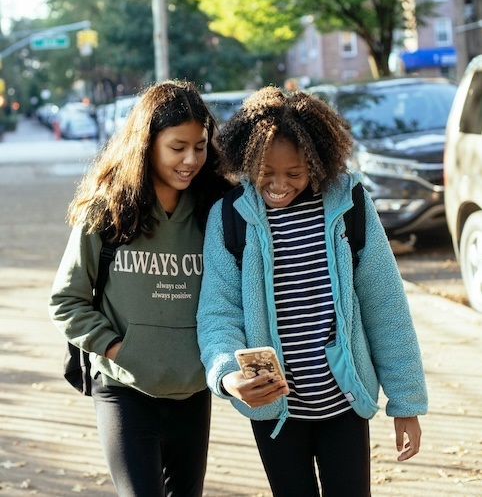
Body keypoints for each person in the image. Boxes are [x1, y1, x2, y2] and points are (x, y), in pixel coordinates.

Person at [197, 86, 428, 497]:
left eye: (295, 173)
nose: (279, 185)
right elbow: (219, 314)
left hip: (344, 404)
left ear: (317, 161)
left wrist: (405, 401)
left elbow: (386, 306)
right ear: (246, 160)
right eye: (266, 173)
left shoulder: (348, 204)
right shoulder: (229, 218)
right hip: (274, 413)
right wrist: (228, 376)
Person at [49, 80, 230, 497]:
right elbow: (66, 301)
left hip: (193, 391)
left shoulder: (217, 212)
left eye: (200, 147)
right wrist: (120, 351)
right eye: (177, 147)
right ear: (147, 143)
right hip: (123, 390)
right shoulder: (107, 209)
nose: (190, 160)